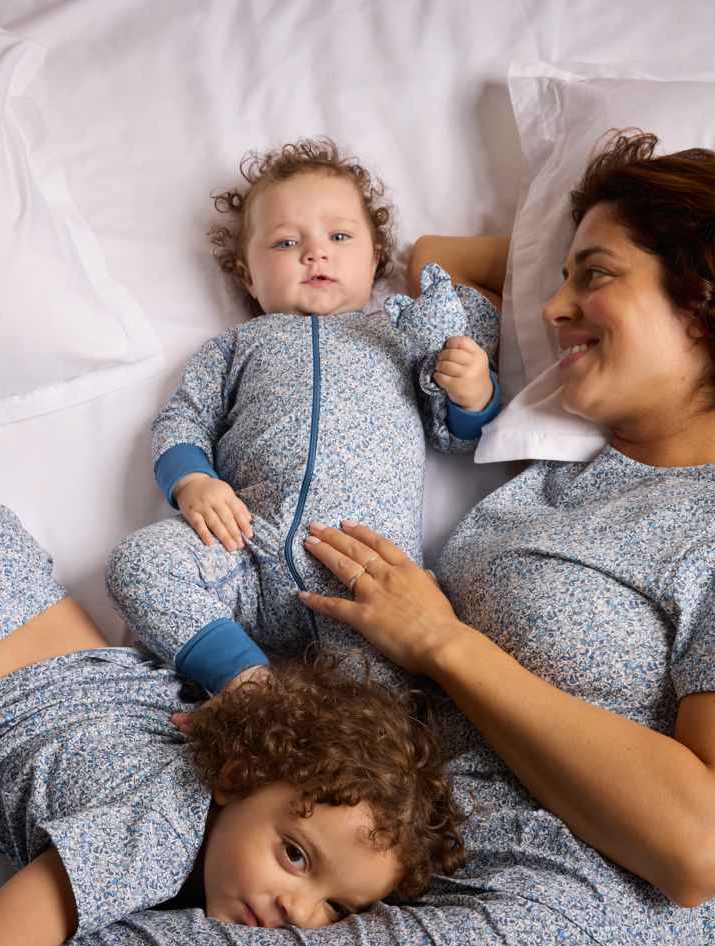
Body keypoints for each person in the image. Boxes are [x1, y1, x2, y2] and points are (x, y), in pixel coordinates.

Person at [0, 130, 715, 946]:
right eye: (561, 272)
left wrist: (444, 643)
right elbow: (437, 260)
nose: (551, 302)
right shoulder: (567, 480)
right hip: (372, 872)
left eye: (594, 274)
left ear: (711, 298)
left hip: (551, 928)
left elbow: (704, 843)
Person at [0, 139, 465, 946]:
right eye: (295, 853)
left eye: (336, 910)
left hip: (10, 573)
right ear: (250, 770)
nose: (297, 911)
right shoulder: (159, 841)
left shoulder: (198, 768)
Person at [106, 137, 502, 696]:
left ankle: (328, 748)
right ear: (248, 276)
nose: (315, 253)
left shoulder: (398, 334)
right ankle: (250, 688)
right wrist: (193, 481)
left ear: (374, 259)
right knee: (139, 563)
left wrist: (471, 391)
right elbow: (181, 421)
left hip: (365, 572)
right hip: (245, 549)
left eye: (339, 237)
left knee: (383, 707)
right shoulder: (236, 346)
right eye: (286, 242)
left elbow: (455, 435)